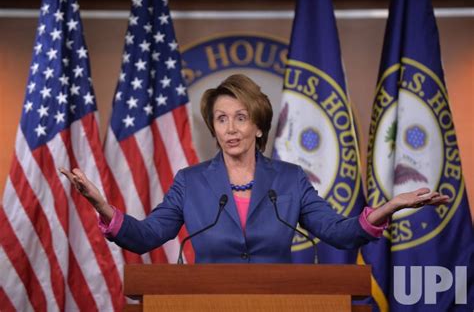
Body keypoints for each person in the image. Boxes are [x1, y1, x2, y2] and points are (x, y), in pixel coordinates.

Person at [60, 74, 449, 263]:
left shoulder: (290, 180)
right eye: (221, 119)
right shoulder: (190, 182)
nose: (230, 129)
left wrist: (388, 206)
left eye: (241, 118)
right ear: (213, 127)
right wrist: (103, 208)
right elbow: (146, 236)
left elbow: (338, 233)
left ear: (258, 125)